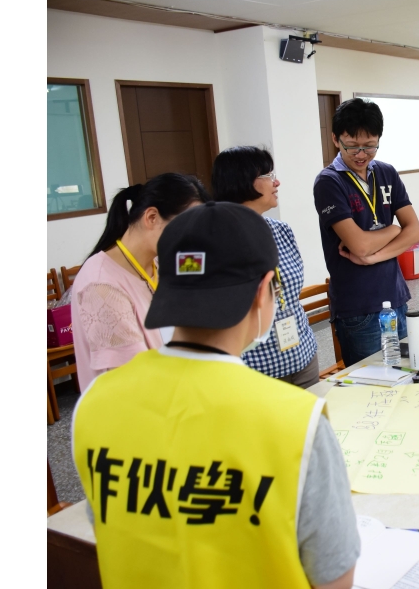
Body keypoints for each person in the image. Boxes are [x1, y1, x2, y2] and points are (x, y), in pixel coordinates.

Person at [72, 202, 360, 589]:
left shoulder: (95, 404)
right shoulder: (296, 421)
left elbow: (106, 527)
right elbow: (334, 577)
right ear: (264, 291)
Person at [71, 173, 209, 391]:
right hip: (137, 411)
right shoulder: (101, 284)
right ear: (152, 217)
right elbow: (134, 380)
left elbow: (205, 283)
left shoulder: (162, 259)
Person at [314, 98, 419, 366]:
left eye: (370, 146)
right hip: (358, 307)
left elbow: (416, 232)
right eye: (352, 146)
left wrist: (373, 257)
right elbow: (359, 245)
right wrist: (393, 230)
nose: (361, 154)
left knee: (406, 375)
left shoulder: (386, 172)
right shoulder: (329, 182)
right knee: (372, 389)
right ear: (335, 139)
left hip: (395, 296)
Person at [213, 146, 320, 388]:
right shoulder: (217, 240)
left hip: (301, 355)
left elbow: (290, 296)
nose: (277, 182)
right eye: (269, 176)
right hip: (255, 369)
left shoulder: (280, 230)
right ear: (242, 181)